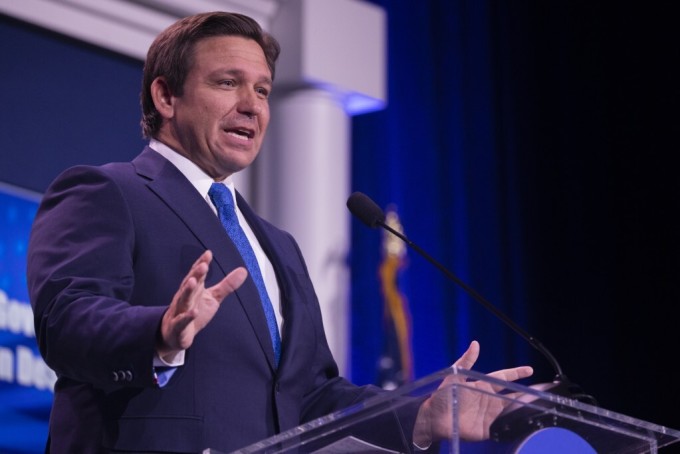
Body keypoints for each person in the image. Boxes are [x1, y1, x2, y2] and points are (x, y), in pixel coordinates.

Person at [26, 11, 533, 453]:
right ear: (165, 96)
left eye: (263, 90)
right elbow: (67, 322)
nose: (252, 105)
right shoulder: (107, 191)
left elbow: (311, 397)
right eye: (228, 83)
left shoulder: (277, 245)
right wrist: (160, 332)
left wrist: (422, 415)